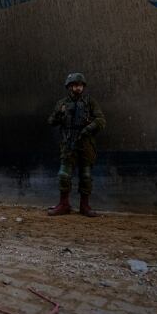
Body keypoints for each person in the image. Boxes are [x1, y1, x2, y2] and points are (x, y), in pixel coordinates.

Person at [47, 73, 106, 217]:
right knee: (63, 175)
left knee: (85, 176)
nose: (77, 88)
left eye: (79, 85)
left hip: (85, 143)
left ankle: (84, 206)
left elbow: (101, 121)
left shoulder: (90, 102)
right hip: (68, 143)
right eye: (74, 85)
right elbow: (51, 121)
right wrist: (60, 115)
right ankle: (64, 204)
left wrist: (88, 128)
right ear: (69, 87)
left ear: (83, 87)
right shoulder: (62, 104)